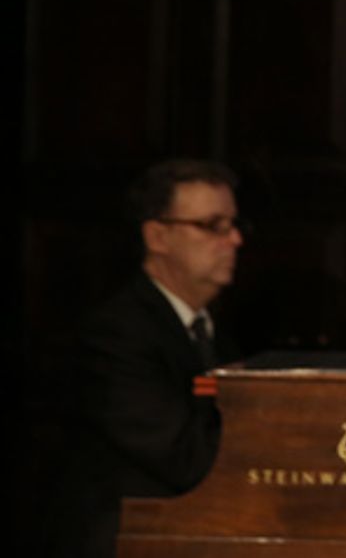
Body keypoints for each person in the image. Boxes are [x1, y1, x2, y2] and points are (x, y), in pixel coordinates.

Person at [47, 159, 243, 558]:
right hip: (129, 541)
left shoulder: (216, 332)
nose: (235, 240)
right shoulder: (115, 335)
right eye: (213, 226)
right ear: (157, 236)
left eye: (234, 225)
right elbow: (183, 457)